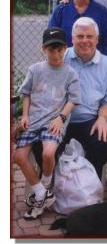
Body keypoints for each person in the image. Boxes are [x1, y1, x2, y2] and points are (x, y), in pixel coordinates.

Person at [14, 27, 81, 220]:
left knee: (48, 152)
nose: (56, 54)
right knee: (18, 156)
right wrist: (25, 115)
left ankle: (43, 187)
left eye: (60, 49)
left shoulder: (70, 73)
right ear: (43, 49)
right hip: (33, 121)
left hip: (54, 122)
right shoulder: (35, 69)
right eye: (51, 49)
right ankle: (43, 193)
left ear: (65, 49)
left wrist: (61, 118)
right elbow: (25, 93)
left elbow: (73, 100)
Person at [62, 17, 107, 179]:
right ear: (72, 39)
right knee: (43, 144)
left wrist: (102, 118)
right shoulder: (61, 58)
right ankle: (51, 187)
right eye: (80, 36)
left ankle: (91, 186)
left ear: (97, 39)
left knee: (104, 143)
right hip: (61, 118)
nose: (85, 41)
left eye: (89, 36)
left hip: (90, 119)